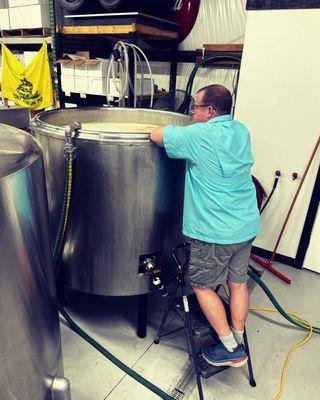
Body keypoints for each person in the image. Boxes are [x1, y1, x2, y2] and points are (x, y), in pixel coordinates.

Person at [150, 84, 260, 368]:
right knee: (237, 284)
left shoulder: (200, 134)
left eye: (195, 108)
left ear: (209, 111)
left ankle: (229, 349)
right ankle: (237, 335)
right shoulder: (241, 131)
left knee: (201, 286)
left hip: (215, 232)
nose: (192, 112)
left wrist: (179, 128)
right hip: (245, 225)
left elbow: (156, 135)